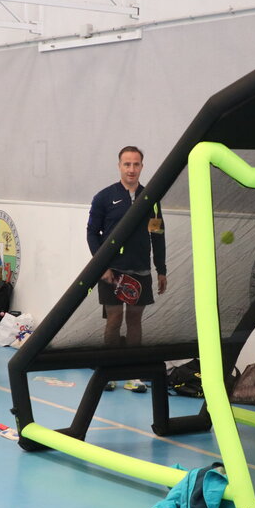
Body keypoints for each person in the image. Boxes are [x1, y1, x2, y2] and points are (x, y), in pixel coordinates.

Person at [87, 146, 167, 392]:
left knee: (134, 320)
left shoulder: (151, 198)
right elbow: (92, 233)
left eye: (136, 164)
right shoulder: (104, 197)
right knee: (114, 319)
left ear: (142, 166)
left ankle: (134, 375)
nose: (131, 169)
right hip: (111, 271)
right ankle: (109, 372)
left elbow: (157, 234)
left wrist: (161, 269)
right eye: (127, 164)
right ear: (119, 166)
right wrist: (102, 266)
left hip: (140, 270)